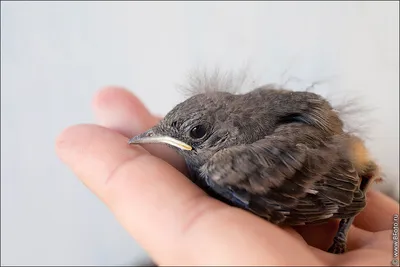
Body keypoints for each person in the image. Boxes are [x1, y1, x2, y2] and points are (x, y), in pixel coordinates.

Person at [55, 86, 399, 266]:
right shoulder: (220, 151)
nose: (184, 142)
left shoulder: (230, 167)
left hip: (336, 170)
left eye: (197, 132)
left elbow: (345, 193)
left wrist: (342, 234)